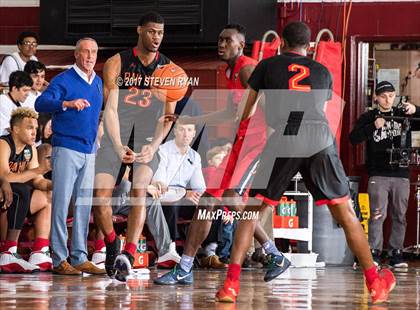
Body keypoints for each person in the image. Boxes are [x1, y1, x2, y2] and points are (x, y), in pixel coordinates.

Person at [212, 21, 396, 304]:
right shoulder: (322, 71)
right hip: (319, 137)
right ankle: (374, 282)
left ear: (282, 43)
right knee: (345, 213)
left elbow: (244, 111)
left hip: (284, 135)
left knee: (252, 211)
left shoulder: (267, 65)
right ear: (309, 47)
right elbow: (318, 109)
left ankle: (231, 285)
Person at [154, 24, 289, 285]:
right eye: (220, 39)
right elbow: (230, 112)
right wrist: (192, 117)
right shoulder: (231, 71)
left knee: (230, 198)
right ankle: (185, 267)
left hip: (256, 145)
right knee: (207, 202)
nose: (222, 43)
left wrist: (272, 146)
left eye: (228, 40)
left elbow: (268, 106)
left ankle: (274, 254)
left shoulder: (248, 69)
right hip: (240, 145)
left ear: (241, 45)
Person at [94, 11, 177, 281]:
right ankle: (111, 244)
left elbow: (167, 117)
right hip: (116, 136)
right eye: (152, 31)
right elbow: (112, 109)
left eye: (161, 33)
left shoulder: (169, 70)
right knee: (100, 199)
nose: (157, 37)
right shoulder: (117, 62)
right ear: (139, 30)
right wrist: (118, 145)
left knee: (139, 191)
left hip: (145, 140)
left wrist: (154, 145)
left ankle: (128, 255)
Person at [35, 38, 104, 275]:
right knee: (62, 203)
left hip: (89, 150)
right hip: (65, 147)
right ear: (75, 55)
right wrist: (66, 103)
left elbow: (95, 116)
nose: (90, 56)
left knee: (83, 205)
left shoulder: (97, 82)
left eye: (93, 52)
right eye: (85, 51)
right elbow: (40, 102)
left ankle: (79, 256)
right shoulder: (63, 79)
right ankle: (59, 259)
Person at [350, 81, 419, 268]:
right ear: (376, 97)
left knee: (399, 215)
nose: (387, 99)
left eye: (391, 95)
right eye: (383, 96)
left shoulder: (403, 114)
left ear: (395, 95)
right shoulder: (369, 116)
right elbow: (353, 138)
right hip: (378, 173)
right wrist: (373, 126)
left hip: (402, 173)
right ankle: (374, 253)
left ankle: (396, 254)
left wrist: (416, 109)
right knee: (377, 215)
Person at [0, 107, 52, 273]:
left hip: (15, 197)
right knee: (17, 191)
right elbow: (4, 177)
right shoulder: (4, 143)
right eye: (30, 128)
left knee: (47, 197)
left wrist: (55, 185)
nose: (34, 133)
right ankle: (8, 251)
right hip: (4, 193)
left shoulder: (30, 150)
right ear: (16, 129)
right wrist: (37, 170)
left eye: (36, 129)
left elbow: (37, 181)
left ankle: (40, 251)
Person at [0, 71, 33, 135]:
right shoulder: (3, 101)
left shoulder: (19, 102)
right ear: (14, 88)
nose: (27, 94)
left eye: (29, 90)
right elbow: (8, 128)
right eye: (25, 90)